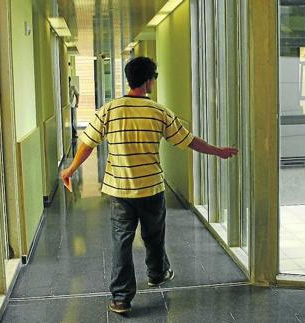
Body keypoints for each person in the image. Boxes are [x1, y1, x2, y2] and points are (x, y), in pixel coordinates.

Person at [60, 56, 238, 315]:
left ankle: (121, 298)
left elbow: (88, 143)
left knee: (122, 241)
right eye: (154, 76)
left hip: (119, 191)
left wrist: (71, 169)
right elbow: (188, 141)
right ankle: (156, 274)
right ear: (148, 80)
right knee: (154, 236)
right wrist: (217, 151)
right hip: (152, 189)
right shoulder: (158, 111)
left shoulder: (110, 109)